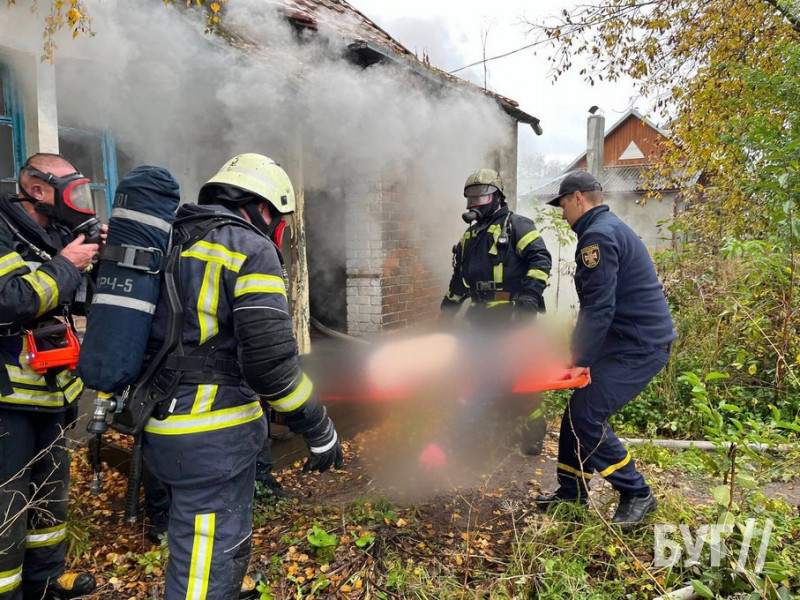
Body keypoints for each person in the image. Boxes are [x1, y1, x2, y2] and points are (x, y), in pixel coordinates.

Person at [140, 153, 343, 599]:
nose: (278, 232)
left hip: (162, 420)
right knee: (205, 560)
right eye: (280, 221)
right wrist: (318, 426)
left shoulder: (173, 240)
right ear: (264, 208)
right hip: (212, 431)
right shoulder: (249, 248)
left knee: (196, 539)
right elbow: (272, 366)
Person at [536, 170, 676, 530]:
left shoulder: (597, 236)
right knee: (576, 413)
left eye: (563, 204)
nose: (562, 213)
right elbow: (601, 307)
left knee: (586, 415)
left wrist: (580, 361)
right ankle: (571, 493)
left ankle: (637, 493)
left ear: (578, 198)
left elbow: (599, 307)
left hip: (639, 346)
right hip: (625, 341)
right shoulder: (606, 227)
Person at [0, 153, 102, 600]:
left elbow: (75, 302)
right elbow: (13, 300)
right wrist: (67, 263)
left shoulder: (55, 234)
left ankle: (46, 579)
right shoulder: (3, 231)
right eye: (70, 190)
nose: (78, 201)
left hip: (53, 389)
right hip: (9, 399)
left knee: (50, 492)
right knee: (8, 501)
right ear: (38, 190)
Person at [440, 168, 552, 455]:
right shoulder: (469, 237)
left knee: (518, 379)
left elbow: (540, 260)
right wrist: (448, 309)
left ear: (498, 197)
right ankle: (482, 432)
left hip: (512, 316)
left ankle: (534, 428)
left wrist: (528, 298)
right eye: (471, 197)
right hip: (480, 318)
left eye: (482, 195)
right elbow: (461, 280)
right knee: (476, 376)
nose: (475, 202)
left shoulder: (517, 226)